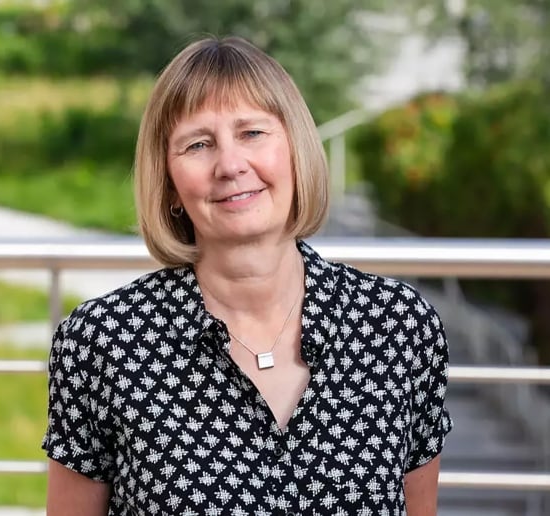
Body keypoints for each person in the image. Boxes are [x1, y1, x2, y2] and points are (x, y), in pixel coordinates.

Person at [43, 36, 453, 515]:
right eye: (198, 144)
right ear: (169, 184)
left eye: (253, 133)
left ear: (296, 151)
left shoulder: (398, 326)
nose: (231, 165)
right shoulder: (102, 343)